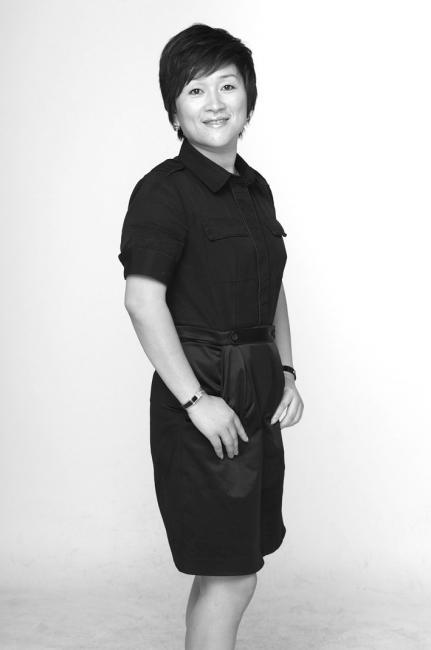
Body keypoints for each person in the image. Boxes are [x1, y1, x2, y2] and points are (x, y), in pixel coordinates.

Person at [118, 22, 304, 650]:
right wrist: (197, 401)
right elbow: (142, 301)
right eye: (196, 90)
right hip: (203, 389)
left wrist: (286, 372)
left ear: (249, 99)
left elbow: (272, 284)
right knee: (231, 574)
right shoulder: (163, 193)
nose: (216, 102)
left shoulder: (254, 188)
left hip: (257, 386)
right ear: (174, 110)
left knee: (230, 565)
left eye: (228, 85)